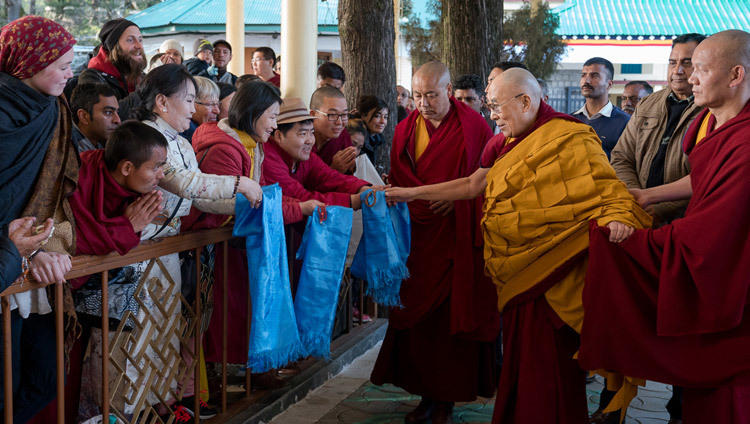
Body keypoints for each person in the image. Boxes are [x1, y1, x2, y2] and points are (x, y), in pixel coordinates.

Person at [385, 67, 651, 424]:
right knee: (522, 364)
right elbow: (468, 187)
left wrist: (617, 217)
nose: (492, 115)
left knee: (549, 371)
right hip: (519, 274)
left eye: (496, 106)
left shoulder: (571, 137)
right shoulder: (503, 142)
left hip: (555, 276)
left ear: (526, 101)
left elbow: (609, 192)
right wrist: (407, 193)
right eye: (490, 106)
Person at [580, 29, 750, 424]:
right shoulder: (709, 122)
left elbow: (714, 235)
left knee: (722, 388)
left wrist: (641, 242)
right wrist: (644, 197)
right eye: (679, 65)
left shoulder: (744, 142)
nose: (688, 77)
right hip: (676, 230)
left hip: (720, 268)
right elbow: (703, 179)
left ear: (735, 75)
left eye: (699, 69)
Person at [370, 61, 498, 424]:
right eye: (418, 95)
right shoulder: (405, 128)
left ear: (447, 89)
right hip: (418, 239)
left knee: (450, 323)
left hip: (456, 240)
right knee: (419, 326)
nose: (423, 103)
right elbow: (400, 176)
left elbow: (486, 180)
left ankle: (447, 400)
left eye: (431, 95)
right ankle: (425, 396)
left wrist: (460, 200)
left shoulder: (474, 125)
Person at [596, 34, 705, 424]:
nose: (678, 70)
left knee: (681, 326)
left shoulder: (711, 109)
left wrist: (652, 201)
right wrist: (631, 197)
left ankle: (679, 410)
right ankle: (612, 406)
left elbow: (706, 180)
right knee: (623, 318)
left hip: (682, 228)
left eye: (688, 62)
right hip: (635, 224)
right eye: (674, 61)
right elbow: (622, 156)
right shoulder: (651, 105)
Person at [186, 84, 323, 388]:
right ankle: (227, 378)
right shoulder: (224, 148)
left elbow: (263, 198)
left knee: (244, 307)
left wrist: (296, 207)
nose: (274, 125)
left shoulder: (252, 144)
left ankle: (250, 368)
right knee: (226, 312)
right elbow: (243, 207)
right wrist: (299, 208)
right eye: (273, 116)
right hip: (214, 245)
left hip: (238, 241)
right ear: (254, 114)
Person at [0, 15, 77, 423]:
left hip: (29, 259)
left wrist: (42, 244)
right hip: (6, 257)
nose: (70, 74)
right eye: (62, 65)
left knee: (45, 379)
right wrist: (20, 250)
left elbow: (48, 193)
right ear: (31, 62)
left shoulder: (53, 109)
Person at [262, 97, 373, 208]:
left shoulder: (304, 155)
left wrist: (364, 188)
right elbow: (301, 199)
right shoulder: (267, 159)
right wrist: (354, 200)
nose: (310, 140)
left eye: (312, 132)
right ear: (278, 136)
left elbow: (330, 177)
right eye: (302, 134)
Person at [78, 18, 146, 120]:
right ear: (114, 46)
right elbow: (107, 117)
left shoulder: (140, 77)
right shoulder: (92, 77)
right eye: (130, 40)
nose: (139, 46)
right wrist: (148, 89)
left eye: (140, 39)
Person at [572, 57, 630, 158]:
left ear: (609, 84)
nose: (586, 81)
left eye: (595, 76)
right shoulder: (570, 120)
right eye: (583, 75)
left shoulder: (626, 123)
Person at [309, 86, 358, 173]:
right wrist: (333, 170)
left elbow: (347, 178)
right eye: (332, 114)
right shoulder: (301, 141)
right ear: (313, 114)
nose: (339, 122)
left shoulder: (343, 136)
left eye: (344, 115)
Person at [70, 83, 122, 153]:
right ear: (83, 116)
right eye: (108, 112)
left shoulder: (97, 140)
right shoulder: (71, 153)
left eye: (117, 112)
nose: (118, 120)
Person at [180, 76, 220, 142]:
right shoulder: (186, 138)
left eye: (217, 104)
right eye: (210, 104)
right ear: (191, 103)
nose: (217, 111)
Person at [354, 95, 389, 167]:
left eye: (385, 117)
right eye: (377, 116)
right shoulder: (355, 139)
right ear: (363, 115)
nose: (383, 121)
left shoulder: (376, 139)